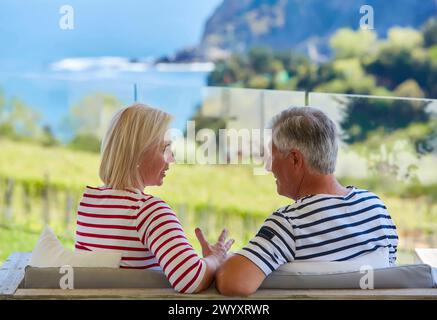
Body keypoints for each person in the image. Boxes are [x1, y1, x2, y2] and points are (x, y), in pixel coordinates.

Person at [216, 106, 398, 296]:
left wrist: (217, 260)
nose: (269, 167)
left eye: (272, 157)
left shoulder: (289, 223)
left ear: (295, 159)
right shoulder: (375, 208)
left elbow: (235, 282)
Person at [74, 103, 234, 293]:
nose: (172, 159)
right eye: (165, 149)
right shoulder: (148, 211)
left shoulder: (89, 202)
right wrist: (216, 259)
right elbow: (189, 279)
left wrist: (202, 262)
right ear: (138, 154)